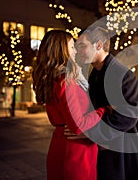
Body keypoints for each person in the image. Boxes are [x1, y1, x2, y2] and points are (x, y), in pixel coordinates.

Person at [68, 26, 138, 180]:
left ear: (99, 45)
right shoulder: (96, 74)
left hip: (123, 154)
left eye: (82, 45)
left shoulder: (123, 75)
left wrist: (90, 133)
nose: (78, 50)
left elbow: (126, 117)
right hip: (107, 151)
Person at [32, 30, 106, 180]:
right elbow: (78, 126)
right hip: (77, 153)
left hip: (60, 146)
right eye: (72, 47)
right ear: (62, 50)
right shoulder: (66, 80)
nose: (75, 51)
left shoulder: (52, 78)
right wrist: (102, 111)